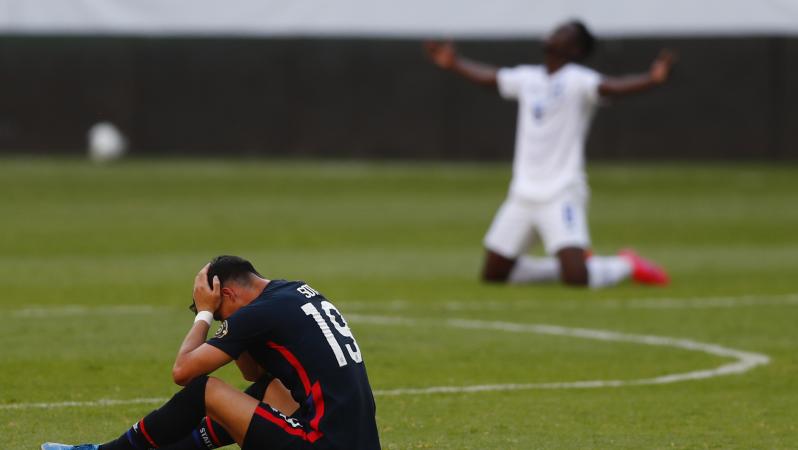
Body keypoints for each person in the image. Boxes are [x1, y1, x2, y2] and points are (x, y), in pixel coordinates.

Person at [424, 20, 674, 288]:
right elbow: (491, 79)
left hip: (561, 191)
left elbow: (611, 87)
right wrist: (455, 63)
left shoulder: (578, 80)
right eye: (557, 29)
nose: (556, 33)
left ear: (576, 49)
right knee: (494, 275)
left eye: (565, 33)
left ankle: (625, 264)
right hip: (523, 193)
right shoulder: (528, 78)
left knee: (577, 280)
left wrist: (651, 79)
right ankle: (566, 263)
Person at [43, 255, 381, 450]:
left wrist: (204, 314)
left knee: (205, 390)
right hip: (355, 441)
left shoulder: (258, 313)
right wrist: (231, 330)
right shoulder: (291, 292)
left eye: (220, 315)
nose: (220, 324)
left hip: (322, 443)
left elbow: (183, 371)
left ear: (229, 293)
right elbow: (252, 374)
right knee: (271, 387)